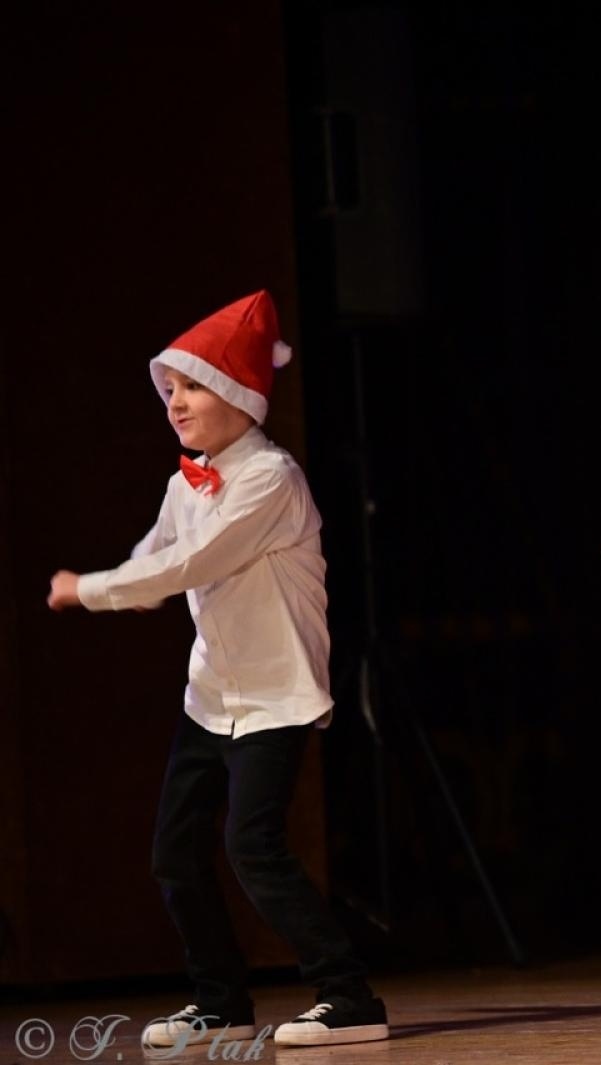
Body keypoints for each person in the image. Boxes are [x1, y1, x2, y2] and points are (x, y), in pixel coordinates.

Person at [46, 291, 389, 1048]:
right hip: (211, 696)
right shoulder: (186, 483)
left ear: (237, 394)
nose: (175, 402)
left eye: (191, 387)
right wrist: (126, 581)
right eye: (169, 389)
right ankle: (221, 1000)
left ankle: (348, 995)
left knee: (252, 845)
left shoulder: (270, 478)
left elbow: (191, 563)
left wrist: (90, 588)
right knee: (174, 852)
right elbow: (157, 559)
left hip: (274, 696)